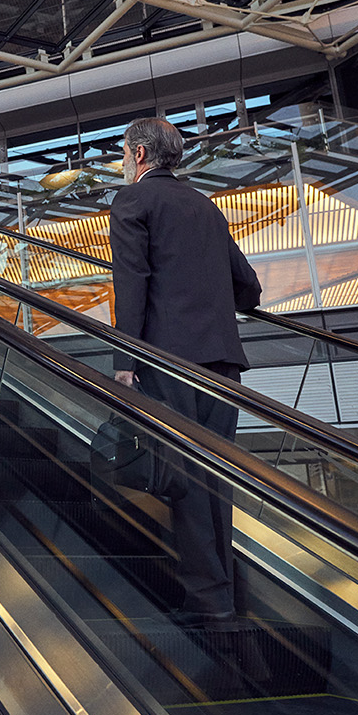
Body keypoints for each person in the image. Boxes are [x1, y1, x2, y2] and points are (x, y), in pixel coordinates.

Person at [108, 117, 261, 627]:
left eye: (125, 154)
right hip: (223, 363)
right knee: (216, 477)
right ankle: (227, 595)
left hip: (170, 361)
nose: (124, 162)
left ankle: (208, 602)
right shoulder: (204, 206)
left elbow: (131, 283)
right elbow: (248, 285)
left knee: (184, 478)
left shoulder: (133, 202)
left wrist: (125, 363)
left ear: (140, 155)